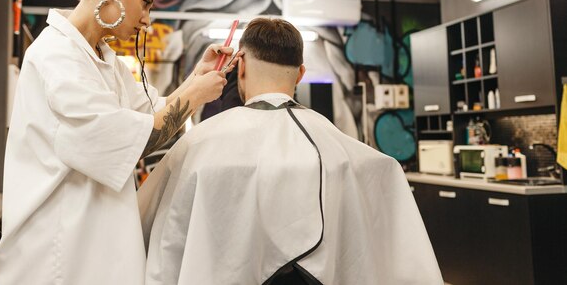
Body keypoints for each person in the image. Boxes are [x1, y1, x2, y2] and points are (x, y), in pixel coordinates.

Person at [0, 0, 237, 285]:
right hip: (56, 258)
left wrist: (197, 76)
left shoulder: (105, 61)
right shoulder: (58, 57)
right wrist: (196, 94)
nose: (147, 20)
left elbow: (155, 110)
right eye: (147, 2)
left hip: (93, 251)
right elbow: (138, 138)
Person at [138, 18, 442, 285]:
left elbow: (153, 231)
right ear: (300, 74)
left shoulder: (198, 146)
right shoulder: (347, 151)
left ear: (240, 66)